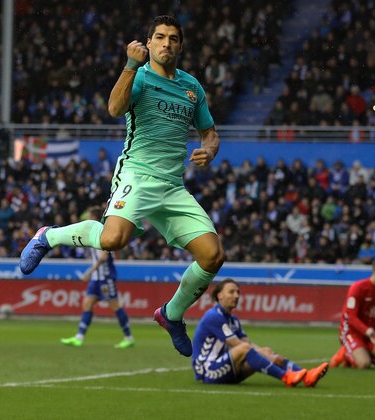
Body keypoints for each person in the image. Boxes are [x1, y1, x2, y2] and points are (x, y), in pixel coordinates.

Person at [19, 15, 224, 357]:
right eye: (159, 37)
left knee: (213, 255)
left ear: (180, 45)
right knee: (113, 239)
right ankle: (48, 236)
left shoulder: (193, 87)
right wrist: (130, 66)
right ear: (149, 42)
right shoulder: (140, 77)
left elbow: (209, 132)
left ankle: (171, 315)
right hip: (137, 175)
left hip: (172, 185)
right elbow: (114, 108)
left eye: (173, 38)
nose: (166, 44)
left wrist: (210, 150)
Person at [192, 278, 328, 386]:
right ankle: (286, 377)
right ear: (219, 295)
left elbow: (247, 343)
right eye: (231, 292)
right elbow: (237, 344)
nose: (236, 295)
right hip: (208, 371)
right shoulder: (213, 316)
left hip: (225, 369)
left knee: (265, 351)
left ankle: (306, 376)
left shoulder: (233, 319)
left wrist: (267, 353)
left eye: (238, 292)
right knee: (246, 349)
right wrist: (261, 353)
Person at [60, 208, 134, 349]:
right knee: (87, 304)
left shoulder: (103, 231)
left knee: (115, 306)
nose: (86, 218)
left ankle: (128, 337)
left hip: (105, 277)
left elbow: (103, 256)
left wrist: (89, 272)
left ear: (94, 217)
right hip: (96, 278)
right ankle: (79, 337)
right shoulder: (94, 231)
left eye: (89, 215)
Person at [330, 256, 375, 369]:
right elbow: (351, 317)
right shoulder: (358, 288)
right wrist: (370, 332)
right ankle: (345, 354)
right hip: (351, 333)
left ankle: (363, 352)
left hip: (370, 337)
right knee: (364, 364)